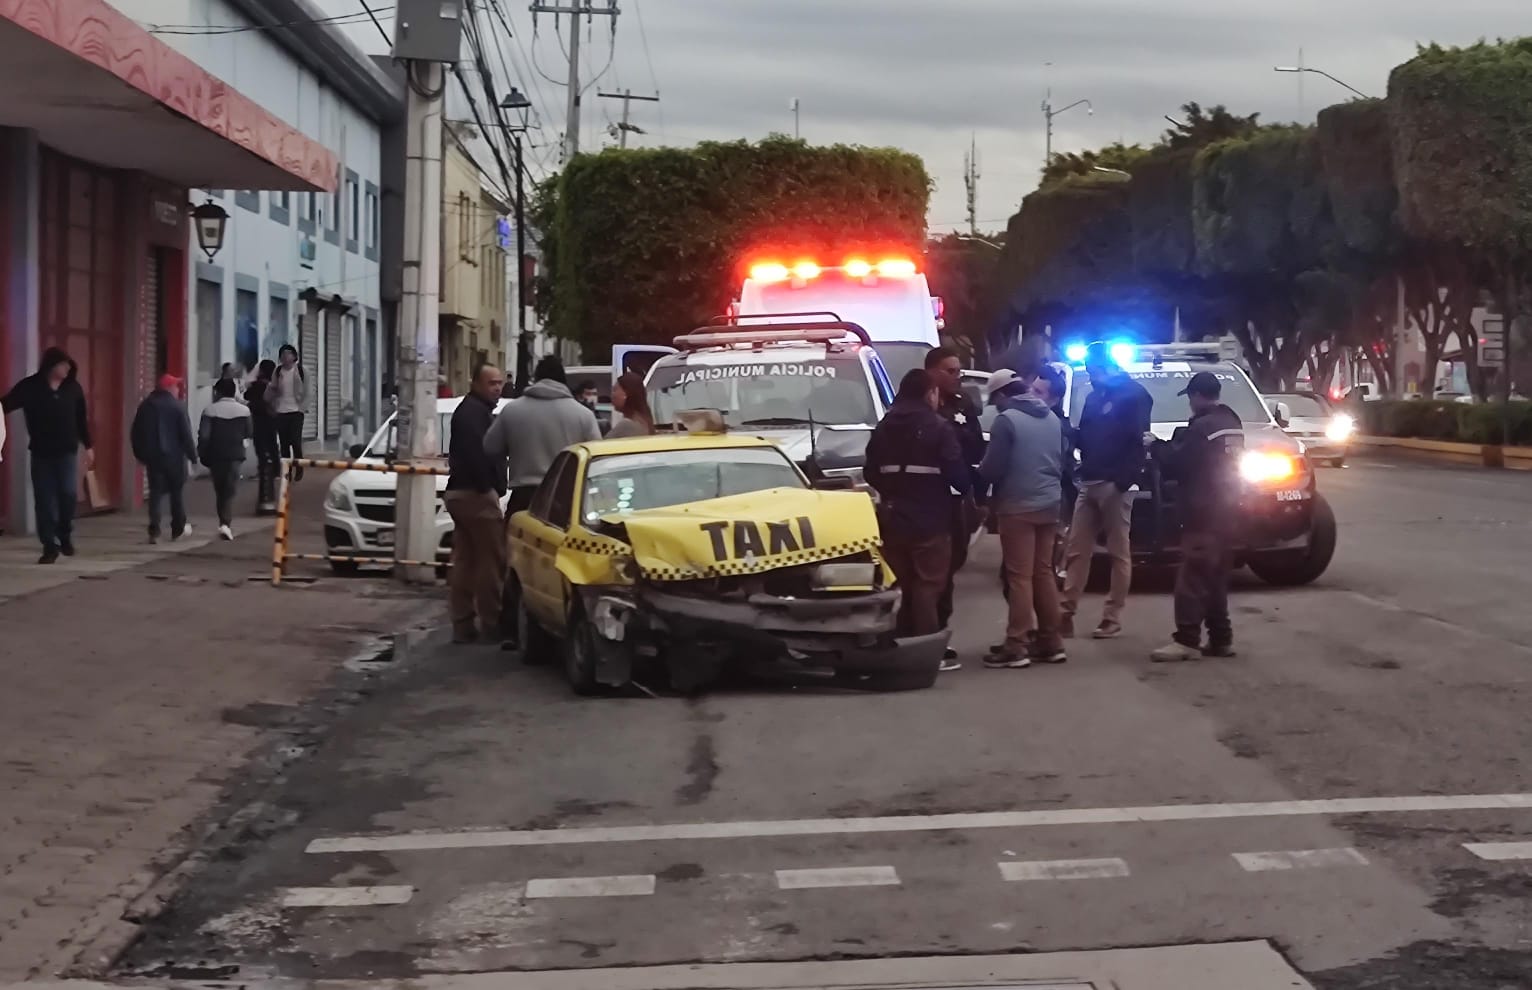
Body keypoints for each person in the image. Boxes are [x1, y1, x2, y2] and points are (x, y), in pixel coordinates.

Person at [484, 354, 601, 648]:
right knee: (565, 561)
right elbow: (599, 458)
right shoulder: (582, 415)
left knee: (515, 562)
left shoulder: (513, 412)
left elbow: (490, 447)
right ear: (563, 379)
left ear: (536, 377)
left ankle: (512, 629)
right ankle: (564, 620)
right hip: (567, 500)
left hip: (524, 497)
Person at [865, 368, 971, 642]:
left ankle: (896, 641)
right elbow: (958, 477)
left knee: (899, 582)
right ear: (929, 393)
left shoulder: (884, 426)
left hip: (893, 518)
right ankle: (925, 646)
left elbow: (870, 472)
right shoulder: (938, 427)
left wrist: (892, 491)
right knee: (928, 584)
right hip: (931, 519)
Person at [1149, 371, 1244, 662]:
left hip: (1203, 512)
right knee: (1214, 578)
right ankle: (1221, 639)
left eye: (1190, 397)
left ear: (1197, 396)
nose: (1190, 403)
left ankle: (1187, 640)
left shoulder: (1201, 428)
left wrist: (1154, 445)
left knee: (1192, 576)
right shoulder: (1231, 423)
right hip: (1229, 511)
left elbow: (1177, 462)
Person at [1059, 342, 1152, 640]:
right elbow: (1085, 435)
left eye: (1094, 370)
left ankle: (1112, 616)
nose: (1091, 376)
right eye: (1088, 371)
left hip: (1114, 484)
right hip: (1089, 480)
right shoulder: (1093, 397)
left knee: (1117, 551)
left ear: (1108, 366)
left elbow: (1138, 442)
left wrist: (1122, 482)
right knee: (1076, 549)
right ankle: (1065, 612)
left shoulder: (1134, 395)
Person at [979, 367, 1068, 669]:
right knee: (1043, 572)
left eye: (996, 400)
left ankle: (1017, 644)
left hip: (1018, 504)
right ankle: (1051, 641)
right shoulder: (1052, 419)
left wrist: (974, 475)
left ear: (1004, 394)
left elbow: (993, 468)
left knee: (1019, 576)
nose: (996, 406)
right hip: (1050, 504)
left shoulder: (1007, 421)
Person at [924, 347, 987, 670]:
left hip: (960, 495)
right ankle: (929, 635)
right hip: (932, 498)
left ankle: (941, 631)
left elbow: (975, 443)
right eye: (950, 371)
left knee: (952, 564)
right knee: (934, 570)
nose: (957, 376)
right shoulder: (920, 406)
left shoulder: (964, 403)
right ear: (932, 372)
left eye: (958, 371)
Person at [1, 347, 93, 563]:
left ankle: (65, 534)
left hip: (67, 453)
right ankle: (49, 546)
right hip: (42, 454)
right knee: (44, 500)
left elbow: (81, 419)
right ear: (51, 365)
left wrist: (89, 446)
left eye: (69, 366)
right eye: (63, 365)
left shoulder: (73, 388)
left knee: (68, 495)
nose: (67, 369)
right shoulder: (30, 387)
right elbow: (5, 404)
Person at [444, 362, 509, 644]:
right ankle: (492, 623)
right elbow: (478, 455)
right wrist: (490, 488)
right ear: (476, 383)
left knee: (466, 560)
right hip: (474, 494)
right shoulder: (473, 414)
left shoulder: (473, 411)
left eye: (500, 383)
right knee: (491, 561)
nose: (497, 388)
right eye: (491, 383)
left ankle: (463, 623)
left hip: (461, 493)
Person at [131, 374, 199, 544]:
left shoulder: (145, 406)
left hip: (153, 458)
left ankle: (154, 530)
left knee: (155, 493)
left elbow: (136, 433)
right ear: (169, 388)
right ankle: (178, 529)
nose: (178, 389)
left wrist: (140, 455)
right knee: (176, 493)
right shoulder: (177, 407)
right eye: (176, 386)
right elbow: (185, 434)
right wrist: (193, 456)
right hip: (174, 458)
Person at [198, 378, 252, 541]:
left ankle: (224, 521)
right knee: (229, 488)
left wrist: (202, 453)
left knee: (220, 489)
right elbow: (249, 432)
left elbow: (204, 436)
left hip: (216, 454)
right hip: (235, 454)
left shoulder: (209, 410)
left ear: (217, 392)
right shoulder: (244, 411)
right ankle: (225, 523)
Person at [245, 360, 280, 508]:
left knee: (261, 449)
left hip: (258, 423)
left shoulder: (257, 385)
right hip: (272, 422)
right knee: (272, 446)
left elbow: (247, 395)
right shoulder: (274, 386)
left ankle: (265, 470)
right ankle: (275, 470)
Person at [269, 344, 307, 480]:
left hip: (296, 411)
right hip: (281, 411)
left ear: (294, 356)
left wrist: (303, 407)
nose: (285, 357)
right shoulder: (278, 371)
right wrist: (272, 402)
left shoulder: (301, 370)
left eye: (288, 354)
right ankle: (287, 471)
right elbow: (272, 388)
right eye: (283, 354)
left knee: (295, 441)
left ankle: (299, 466)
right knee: (284, 444)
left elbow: (309, 390)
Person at [607, 372, 655, 438]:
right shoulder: (645, 422)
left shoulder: (627, 425)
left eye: (615, 390)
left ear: (626, 393)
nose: (612, 395)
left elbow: (600, 446)